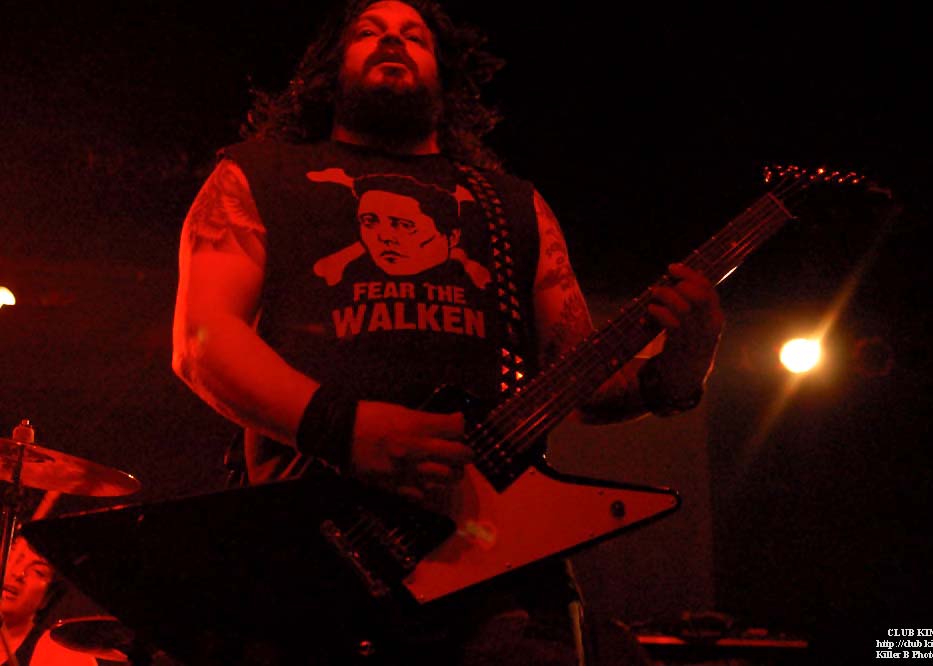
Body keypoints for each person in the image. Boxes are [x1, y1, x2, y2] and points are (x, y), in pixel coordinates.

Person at [171, 1, 724, 663]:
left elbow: (584, 382)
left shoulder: (514, 205)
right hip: (313, 551)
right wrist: (347, 429)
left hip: (499, 568)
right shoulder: (258, 174)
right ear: (329, 68)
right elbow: (203, 339)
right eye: (368, 32)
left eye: (414, 36)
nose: (392, 40)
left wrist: (682, 368)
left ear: (446, 75)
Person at [1, 537, 96, 666]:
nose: (18, 573)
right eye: (12, 557)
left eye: (38, 571)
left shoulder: (62, 655)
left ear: (47, 597)